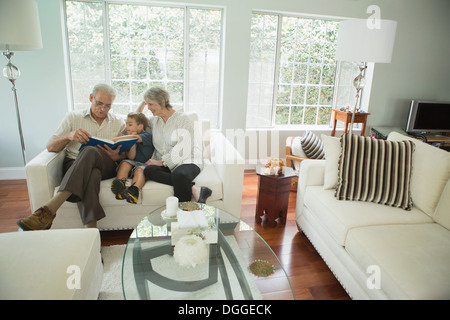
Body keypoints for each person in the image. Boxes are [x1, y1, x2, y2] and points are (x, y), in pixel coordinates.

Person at [17, 83, 126, 230]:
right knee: (92, 174)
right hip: (74, 163)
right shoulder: (73, 117)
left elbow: (125, 152)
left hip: (106, 165)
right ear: (90, 98)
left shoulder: (118, 122)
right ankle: (91, 233)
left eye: (107, 106)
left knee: (89, 150)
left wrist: (117, 156)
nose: (102, 109)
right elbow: (51, 146)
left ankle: (49, 210)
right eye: (99, 103)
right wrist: (69, 136)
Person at [136, 87, 212, 203]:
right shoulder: (154, 121)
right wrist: (142, 104)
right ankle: (195, 189)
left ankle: (184, 214)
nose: (149, 108)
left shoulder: (183, 119)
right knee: (149, 170)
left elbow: (183, 149)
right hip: (167, 163)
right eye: (147, 104)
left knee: (180, 175)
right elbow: (137, 121)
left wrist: (160, 162)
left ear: (162, 102)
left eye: (151, 104)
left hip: (187, 159)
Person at [110, 111, 154, 204]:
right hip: (132, 163)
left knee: (140, 170)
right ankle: (120, 186)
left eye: (130, 124)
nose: (127, 127)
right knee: (125, 163)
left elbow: (134, 137)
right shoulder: (128, 138)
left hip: (144, 164)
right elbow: (131, 157)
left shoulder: (147, 136)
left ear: (140, 127)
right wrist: (131, 143)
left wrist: (113, 140)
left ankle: (133, 191)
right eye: (126, 124)